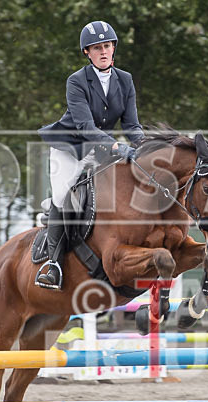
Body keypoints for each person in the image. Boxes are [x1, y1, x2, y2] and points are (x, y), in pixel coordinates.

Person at [37, 20, 144, 290]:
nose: (104, 51)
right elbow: (85, 127)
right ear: (87, 52)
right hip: (70, 148)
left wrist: (144, 147)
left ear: (113, 48)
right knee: (63, 196)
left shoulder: (125, 80)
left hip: (98, 148)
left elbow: (131, 125)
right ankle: (53, 264)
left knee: (119, 189)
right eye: (97, 48)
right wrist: (117, 147)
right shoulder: (76, 81)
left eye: (107, 46)